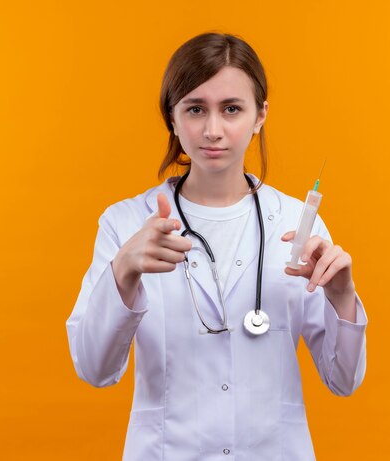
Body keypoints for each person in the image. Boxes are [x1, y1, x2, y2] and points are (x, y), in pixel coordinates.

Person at [66, 32, 367, 461]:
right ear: (172, 117)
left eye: (231, 109)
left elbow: (343, 380)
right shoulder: (125, 224)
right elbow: (95, 370)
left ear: (260, 115)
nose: (213, 130)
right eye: (194, 109)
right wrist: (122, 273)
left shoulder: (298, 224)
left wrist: (343, 299)